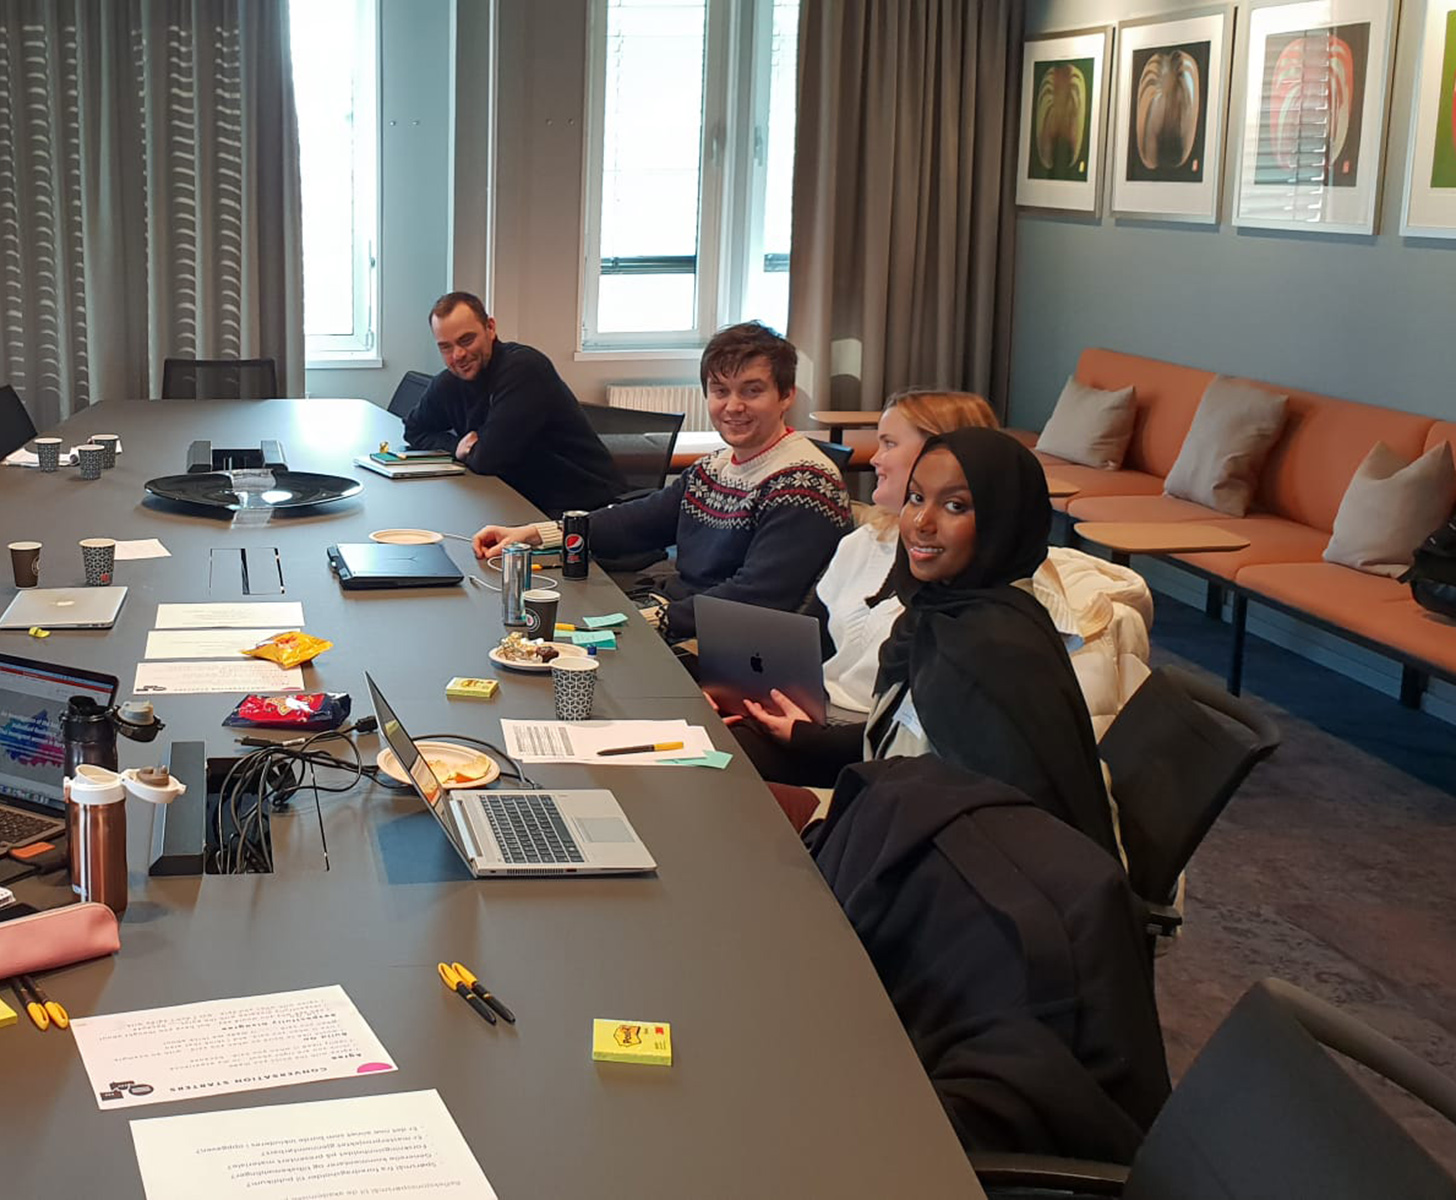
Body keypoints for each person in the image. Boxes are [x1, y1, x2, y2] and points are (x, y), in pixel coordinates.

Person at [725, 391, 1152, 783]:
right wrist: (745, 696)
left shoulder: (990, 637)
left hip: (887, 781)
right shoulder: (895, 564)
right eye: (917, 499)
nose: (875, 457)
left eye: (891, 443)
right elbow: (811, 647)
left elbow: (921, 765)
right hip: (840, 735)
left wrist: (804, 738)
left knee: (725, 771)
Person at [740, 428, 1118, 857]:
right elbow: (905, 743)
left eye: (955, 506)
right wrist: (806, 738)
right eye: (917, 498)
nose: (922, 522)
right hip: (889, 824)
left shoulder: (993, 650)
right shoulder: (938, 616)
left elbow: (995, 835)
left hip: (932, 871)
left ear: (1003, 520)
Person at [472, 321, 850, 641]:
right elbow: (642, 519)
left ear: (786, 396)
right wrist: (536, 534)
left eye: (752, 391)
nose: (733, 406)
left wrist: (650, 621)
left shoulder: (805, 484)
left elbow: (757, 598)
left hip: (726, 645)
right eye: (720, 391)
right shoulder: (716, 466)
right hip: (678, 617)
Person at [402, 291, 624, 518]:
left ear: (490, 328)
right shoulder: (449, 383)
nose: (458, 355)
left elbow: (488, 460)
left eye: (466, 340)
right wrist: (457, 446)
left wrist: (475, 452)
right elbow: (414, 429)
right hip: (509, 499)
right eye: (445, 347)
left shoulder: (524, 369)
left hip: (581, 510)